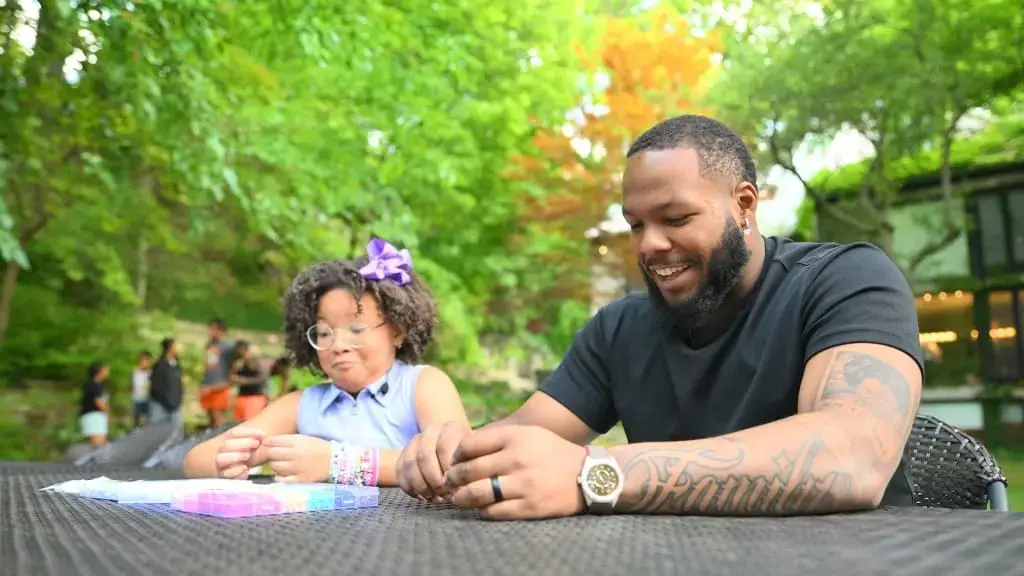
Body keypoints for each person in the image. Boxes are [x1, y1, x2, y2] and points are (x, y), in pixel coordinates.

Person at [396, 114, 924, 520]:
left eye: (675, 218)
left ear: (744, 205)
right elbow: (523, 435)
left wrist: (594, 476)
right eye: (635, 225)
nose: (649, 245)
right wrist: (451, 453)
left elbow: (854, 456)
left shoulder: (846, 280)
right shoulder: (619, 329)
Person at [182, 238, 470, 486]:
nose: (338, 345)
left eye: (356, 329)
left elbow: (456, 461)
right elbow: (196, 461)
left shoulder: (422, 385)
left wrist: (338, 463)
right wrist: (232, 459)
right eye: (323, 333)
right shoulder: (303, 404)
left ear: (397, 331)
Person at [199, 318, 234, 427]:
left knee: (217, 418)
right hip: (208, 385)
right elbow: (208, 365)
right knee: (210, 417)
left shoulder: (228, 346)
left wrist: (227, 382)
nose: (210, 331)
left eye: (213, 329)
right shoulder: (209, 344)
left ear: (221, 330)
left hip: (219, 386)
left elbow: (233, 366)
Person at [230, 340, 269, 422]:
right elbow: (232, 379)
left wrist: (244, 381)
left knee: (250, 423)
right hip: (242, 396)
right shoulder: (240, 363)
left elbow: (262, 379)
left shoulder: (257, 362)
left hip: (254, 397)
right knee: (239, 423)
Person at [149, 337, 184, 427]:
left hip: (175, 407)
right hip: (160, 406)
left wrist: (178, 400)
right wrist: (166, 402)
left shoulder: (177, 365)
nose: (179, 348)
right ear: (170, 348)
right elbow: (156, 386)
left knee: (176, 432)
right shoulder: (159, 365)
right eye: (176, 345)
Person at [79, 361, 110, 445]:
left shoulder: (98, 384)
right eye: (106, 370)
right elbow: (99, 402)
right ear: (100, 371)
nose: (107, 372)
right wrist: (107, 412)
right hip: (93, 416)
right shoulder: (93, 384)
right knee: (97, 444)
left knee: (101, 444)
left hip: (96, 417)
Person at [131, 351, 153, 428]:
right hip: (137, 399)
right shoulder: (136, 372)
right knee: (137, 422)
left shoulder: (152, 372)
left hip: (149, 400)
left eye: (146, 360)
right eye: (142, 360)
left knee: (148, 421)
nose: (143, 362)